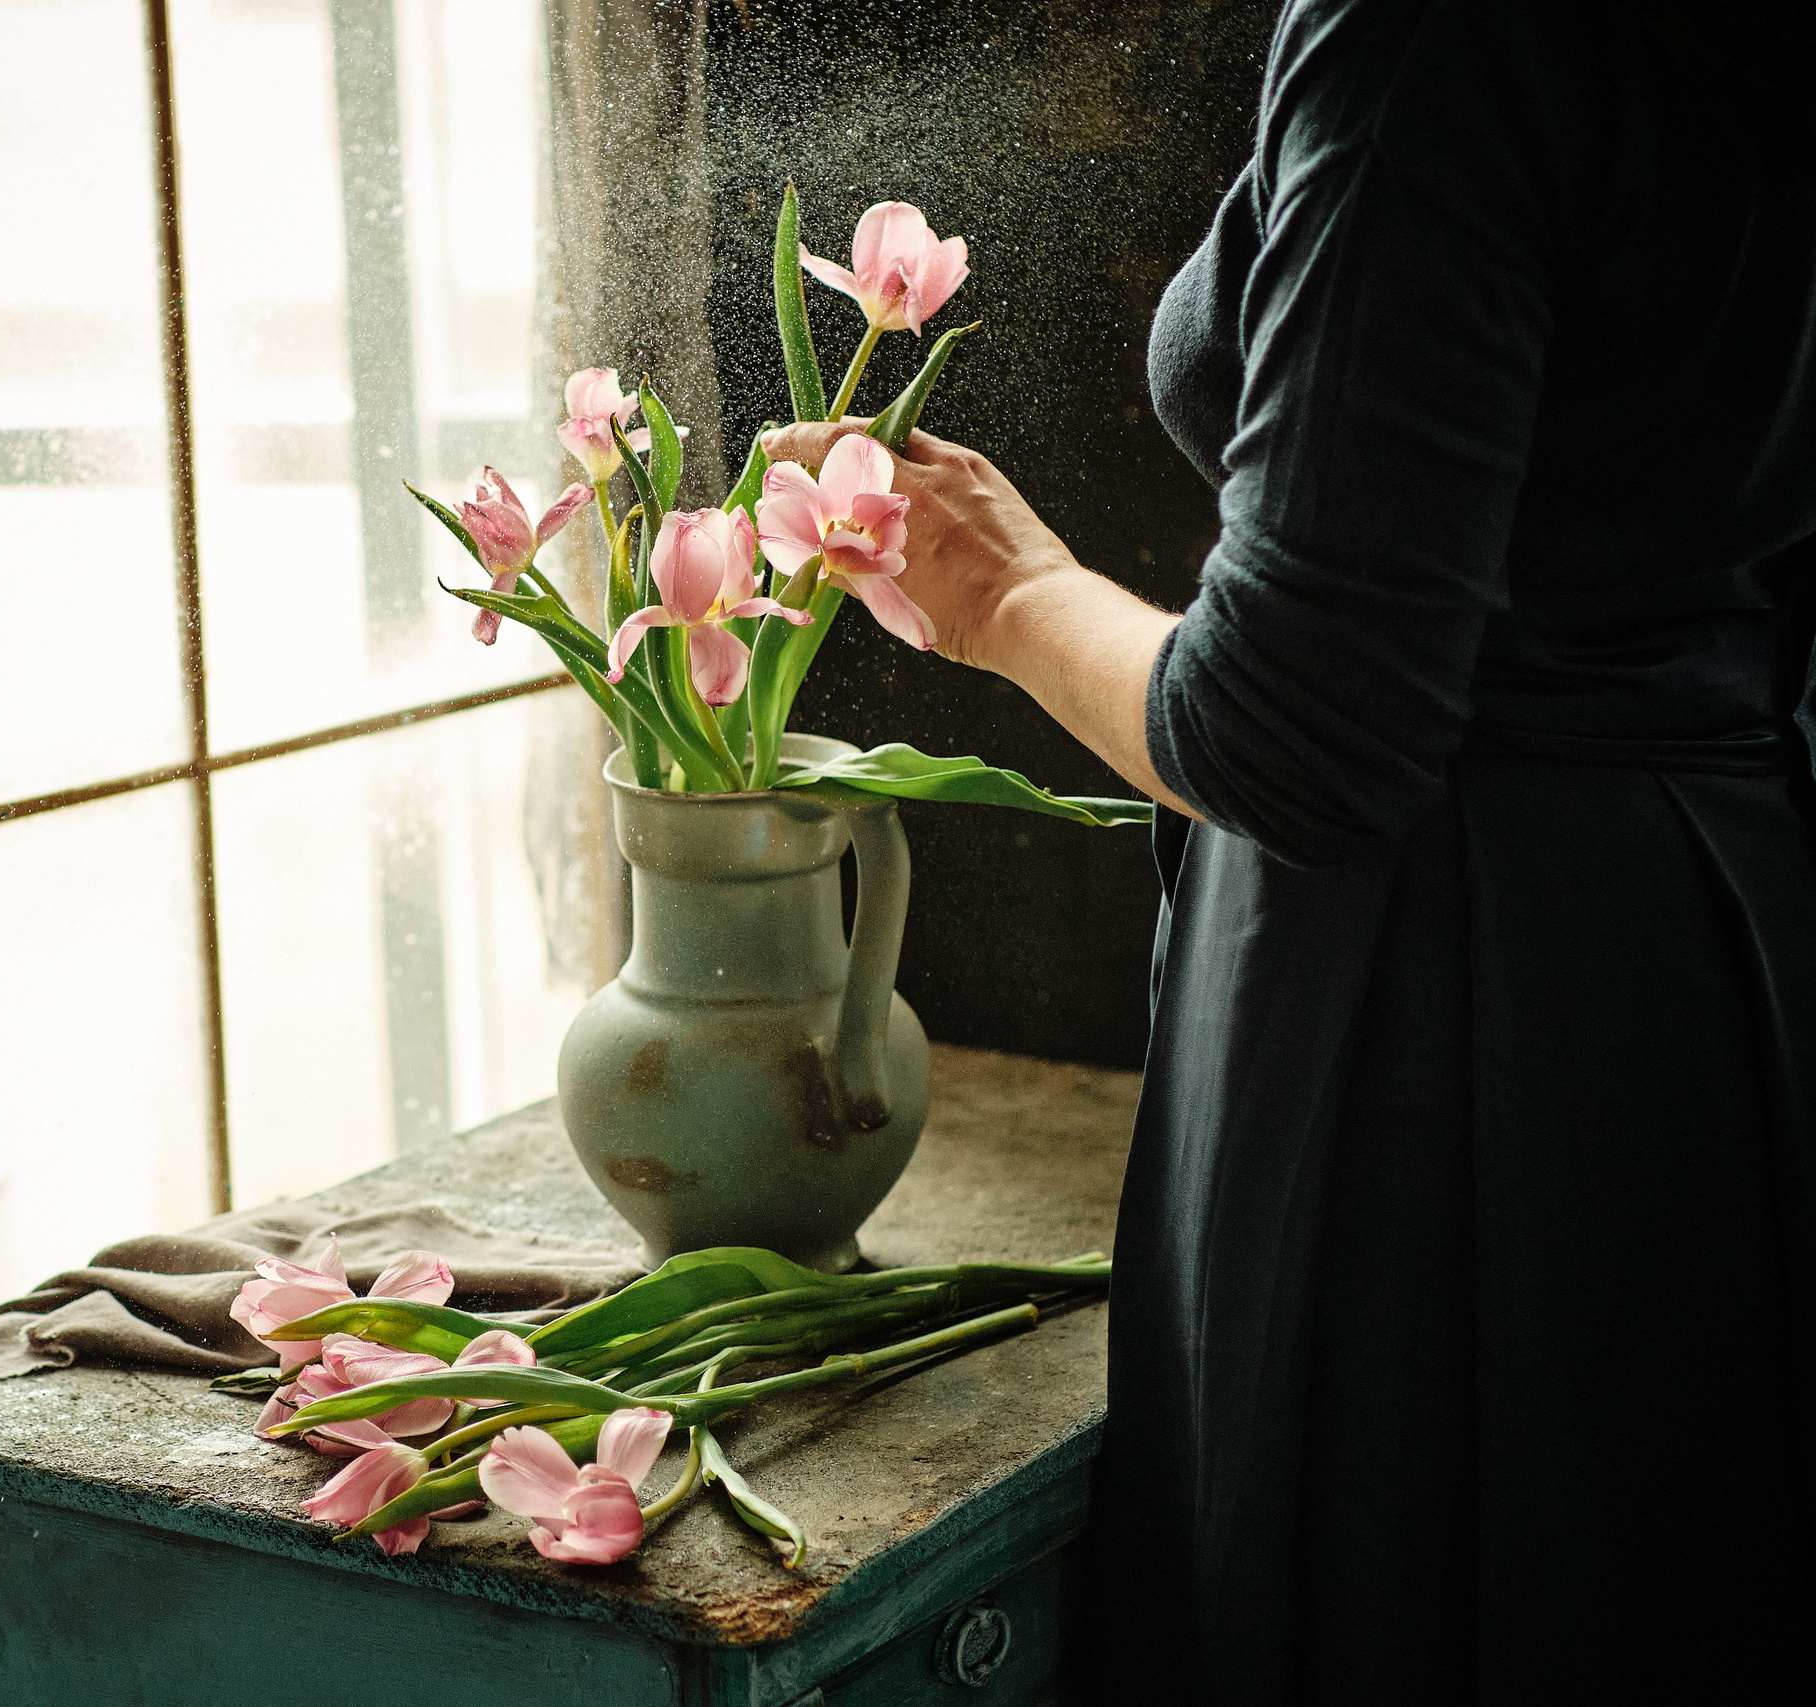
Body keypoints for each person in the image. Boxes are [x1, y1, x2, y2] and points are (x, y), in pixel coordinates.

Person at [767, 1, 1813, 1699]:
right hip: (1726, 966)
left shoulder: (1429, 43)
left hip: (1447, 1044)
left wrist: (1006, 592)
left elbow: (1293, 734)